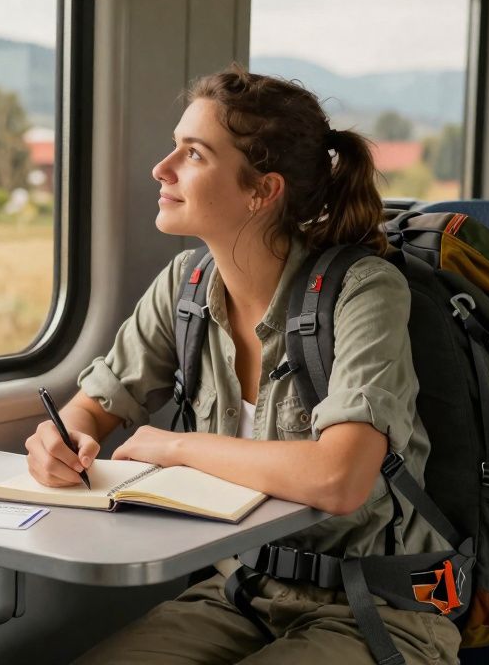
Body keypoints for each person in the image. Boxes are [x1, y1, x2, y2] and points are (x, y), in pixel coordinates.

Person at [24, 64, 459, 664]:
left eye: (194, 154)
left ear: (262, 190)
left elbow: (341, 479)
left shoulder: (364, 290)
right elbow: (93, 407)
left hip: (375, 605)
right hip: (239, 590)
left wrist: (174, 447)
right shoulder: (186, 284)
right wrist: (61, 438)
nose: (162, 168)